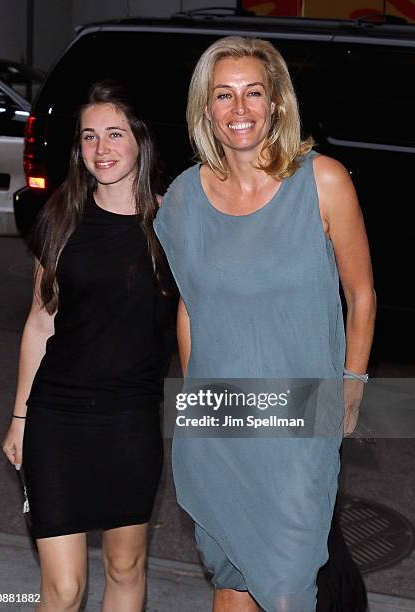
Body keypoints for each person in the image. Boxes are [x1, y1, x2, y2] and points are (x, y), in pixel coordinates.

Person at [154, 37, 376, 611]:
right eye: (223, 96)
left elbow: (362, 293)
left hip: (301, 423)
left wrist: (351, 388)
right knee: (232, 583)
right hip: (220, 425)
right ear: (205, 109)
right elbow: (189, 307)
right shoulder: (182, 199)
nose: (240, 109)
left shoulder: (322, 182)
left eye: (254, 93)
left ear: (277, 102)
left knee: (285, 591)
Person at [2, 81, 176, 612]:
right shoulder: (60, 218)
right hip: (56, 417)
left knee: (125, 568)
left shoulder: (174, 223)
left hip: (130, 420)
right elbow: (39, 323)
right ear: (78, 148)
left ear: (140, 142)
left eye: (115, 134)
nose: (102, 149)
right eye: (90, 137)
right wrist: (19, 419)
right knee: (64, 589)